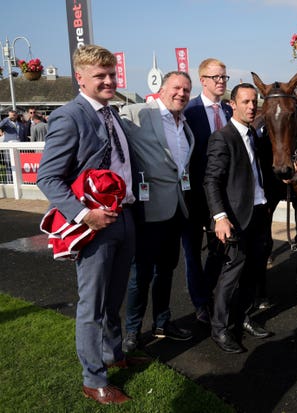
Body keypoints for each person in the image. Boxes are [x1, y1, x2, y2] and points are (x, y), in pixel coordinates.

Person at [36, 44, 137, 405]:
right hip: (94, 224)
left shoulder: (113, 114)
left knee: (113, 299)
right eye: (101, 76)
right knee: (91, 305)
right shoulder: (69, 115)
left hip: (124, 216)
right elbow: (47, 178)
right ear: (80, 78)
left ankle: (113, 356)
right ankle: (93, 379)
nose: (109, 80)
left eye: (112, 74)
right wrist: (85, 216)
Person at [120, 71, 195, 353]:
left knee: (166, 272)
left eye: (187, 90)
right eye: (177, 88)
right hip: (149, 212)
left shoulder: (185, 124)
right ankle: (132, 330)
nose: (182, 94)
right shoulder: (136, 113)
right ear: (162, 89)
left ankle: (163, 323)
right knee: (140, 275)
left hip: (177, 210)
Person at [204, 83, 274, 353]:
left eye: (254, 101)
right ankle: (219, 328)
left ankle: (242, 318)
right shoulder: (223, 137)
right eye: (245, 101)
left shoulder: (254, 134)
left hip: (258, 212)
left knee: (253, 272)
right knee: (231, 274)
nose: (251, 106)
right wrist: (220, 217)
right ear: (232, 104)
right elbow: (211, 180)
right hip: (235, 218)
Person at [182, 58, 233, 325]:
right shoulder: (189, 111)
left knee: (219, 248)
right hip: (193, 196)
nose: (222, 82)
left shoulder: (228, 110)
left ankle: (210, 292)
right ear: (203, 80)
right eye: (216, 78)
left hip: (221, 195)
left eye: (224, 77)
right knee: (191, 253)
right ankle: (200, 302)